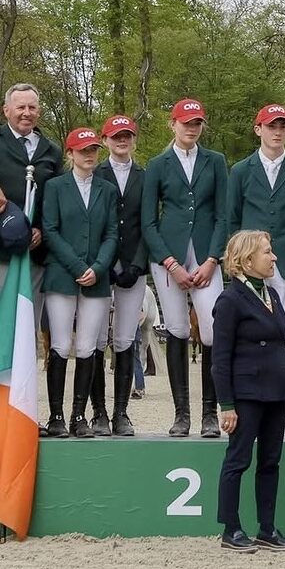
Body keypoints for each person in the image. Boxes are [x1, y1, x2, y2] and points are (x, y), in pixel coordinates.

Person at [142, 98, 229, 438]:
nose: (191, 128)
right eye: (186, 122)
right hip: (169, 256)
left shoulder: (216, 161)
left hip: (206, 255)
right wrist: (171, 264)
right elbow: (149, 222)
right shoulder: (158, 164)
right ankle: (182, 414)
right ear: (173, 124)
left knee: (210, 330)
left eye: (197, 123)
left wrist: (212, 259)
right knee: (177, 329)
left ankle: (210, 412)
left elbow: (224, 215)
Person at [227, 104, 285, 439]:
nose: (277, 132)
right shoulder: (242, 171)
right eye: (271, 126)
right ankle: (248, 407)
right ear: (258, 129)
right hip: (249, 260)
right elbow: (233, 218)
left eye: (283, 126)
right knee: (248, 333)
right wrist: (242, 255)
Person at [212, 230, 285, 553]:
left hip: (276, 392)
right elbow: (219, 359)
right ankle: (230, 528)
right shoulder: (230, 300)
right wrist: (227, 404)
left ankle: (267, 528)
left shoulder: (271, 295)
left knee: (270, 462)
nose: (273, 257)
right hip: (247, 394)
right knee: (238, 460)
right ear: (247, 260)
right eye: (267, 252)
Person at [40, 127, 119, 438]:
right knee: (60, 345)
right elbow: (49, 229)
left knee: (87, 347)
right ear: (70, 153)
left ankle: (78, 416)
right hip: (62, 275)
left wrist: (99, 267)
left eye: (93, 150)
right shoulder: (56, 187)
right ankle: (56, 415)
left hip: (97, 280)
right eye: (83, 150)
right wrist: (76, 265)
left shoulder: (107, 190)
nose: (89, 155)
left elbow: (112, 233)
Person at [89, 115, 148, 437]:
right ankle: (98, 411)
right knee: (97, 339)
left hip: (134, 267)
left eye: (126, 136)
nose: (121, 141)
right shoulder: (95, 173)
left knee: (126, 339)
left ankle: (121, 412)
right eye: (115, 136)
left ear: (133, 139)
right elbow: (93, 224)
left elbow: (147, 223)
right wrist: (106, 264)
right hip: (100, 266)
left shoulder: (145, 175)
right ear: (106, 140)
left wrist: (137, 264)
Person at [0, 83, 64, 336]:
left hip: (35, 254)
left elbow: (57, 199)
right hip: (1, 251)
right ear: (6, 110)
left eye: (32, 107)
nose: (26, 112)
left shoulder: (52, 150)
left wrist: (40, 230)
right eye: (20, 107)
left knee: (26, 327)